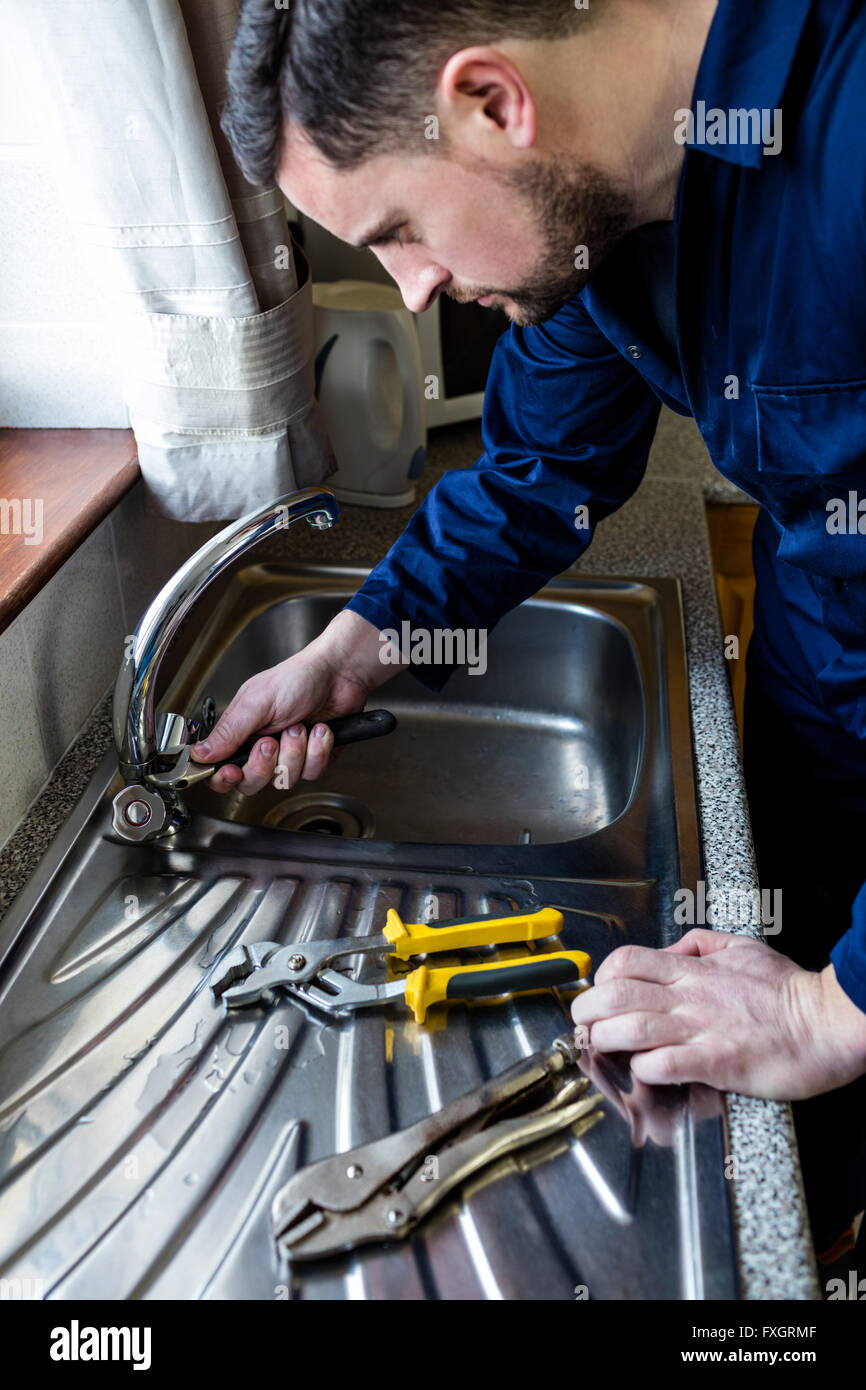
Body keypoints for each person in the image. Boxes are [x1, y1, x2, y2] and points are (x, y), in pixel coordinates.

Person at [193, 0, 866, 1256]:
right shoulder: (594, 222)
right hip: (815, 682)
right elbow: (535, 473)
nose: (411, 293)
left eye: (395, 230)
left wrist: (842, 1013)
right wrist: (358, 644)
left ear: (492, 101)